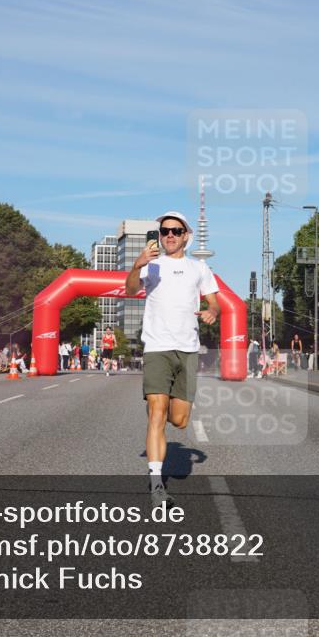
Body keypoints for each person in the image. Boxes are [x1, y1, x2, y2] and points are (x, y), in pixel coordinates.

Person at [125, 211, 219, 506]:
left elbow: (214, 302)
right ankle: (156, 488)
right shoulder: (151, 266)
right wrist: (137, 265)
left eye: (176, 231)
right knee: (157, 413)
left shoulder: (199, 269)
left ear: (186, 236)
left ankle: (161, 405)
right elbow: (130, 290)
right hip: (156, 347)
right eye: (164, 230)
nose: (169, 235)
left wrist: (211, 312)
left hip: (188, 349)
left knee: (178, 420)